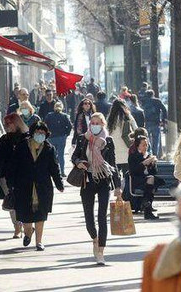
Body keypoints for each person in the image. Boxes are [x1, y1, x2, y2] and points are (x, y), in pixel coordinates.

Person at [71, 112, 122, 265]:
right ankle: (95, 238)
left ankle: (101, 251)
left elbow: (113, 164)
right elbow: (74, 157)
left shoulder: (108, 141)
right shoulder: (82, 139)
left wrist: (117, 187)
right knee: (89, 218)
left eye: (97, 123)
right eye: (92, 123)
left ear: (102, 124)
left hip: (103, 181)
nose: (94, 125)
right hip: (87, 180)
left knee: (102, 216)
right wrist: (79, 161)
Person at [10, 122, 65, 250]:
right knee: (26, 216)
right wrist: (11, 183)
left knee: (41, 215)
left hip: (43, 186)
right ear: (32, 133)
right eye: (38, 132)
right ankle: (28, 231)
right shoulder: (22, 146)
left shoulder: (49, 148)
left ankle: (38, 242)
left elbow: (54, 168)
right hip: (23, 186)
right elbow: (13, 166)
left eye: (43, 133)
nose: (40, 135)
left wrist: (59, 184)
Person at [0, 113, 30, 238]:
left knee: (22, 201)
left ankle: (26, 224)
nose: (7, 126)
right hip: (6, 175)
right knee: (11, 200)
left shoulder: (27, 138)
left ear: (17, 123)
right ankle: (17, 226)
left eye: (10, 123)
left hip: (22, 174)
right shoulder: (4, 139)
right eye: (6, 124)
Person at [128, 129, 165, 220]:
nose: (146, 147)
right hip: (137, 180)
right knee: (151, 181)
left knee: (151, 180)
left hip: (148, 180)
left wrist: (152, 164)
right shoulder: (133, 156)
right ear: (138, 146)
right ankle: (147, 208)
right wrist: (144, 163)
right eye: (143, 145)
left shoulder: (149, 155)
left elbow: (154, 172)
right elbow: (133, 171)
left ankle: (146, 205)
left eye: (147, 145)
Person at [107, 99, 138, 174]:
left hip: (114, 150)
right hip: (126, 149)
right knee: (127, 175)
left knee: (115, 176)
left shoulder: (110, 118)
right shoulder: (127, 117)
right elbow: (136, 129)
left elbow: (106, 132)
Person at [44, 101, 73, 176]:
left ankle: (52, 171)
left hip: (51, 137)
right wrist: (66, 134)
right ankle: (62, 172)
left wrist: (47, 134)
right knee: (61, 155)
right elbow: (70, 126)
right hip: (61, 137)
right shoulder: (64, 116)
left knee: (52, 155)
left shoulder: (49, 115)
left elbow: (45, 125)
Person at [142, 90, 168, 157]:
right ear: (153, 94)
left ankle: (147, 153)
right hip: (156, 123)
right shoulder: (157, 101)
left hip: (147, 123)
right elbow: (164, 110)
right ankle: (154, 155)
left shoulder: (144, 101)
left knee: (146, 139)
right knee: (156, 140)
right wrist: (163, 120)